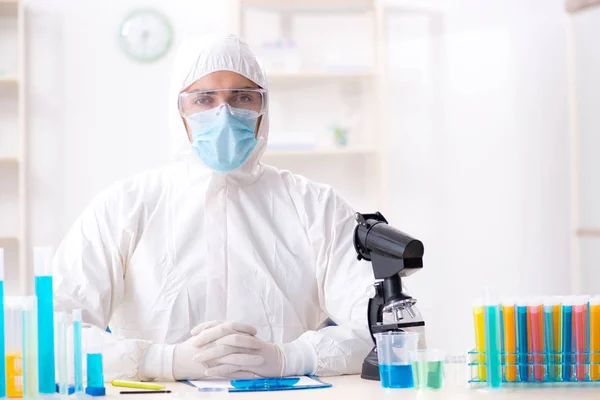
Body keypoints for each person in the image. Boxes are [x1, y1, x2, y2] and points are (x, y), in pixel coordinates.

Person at [53, 34, 375, 382]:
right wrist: (163, 361)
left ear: (263, 107)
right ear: (179, 109)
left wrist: (291, 357)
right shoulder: (123, 206)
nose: (224, 115)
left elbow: (388, 329)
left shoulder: (317, 206)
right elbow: (54, 332)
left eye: (242, 97)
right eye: (204, 99)